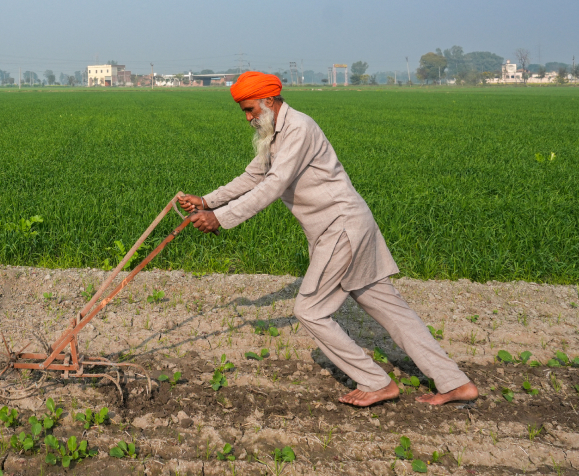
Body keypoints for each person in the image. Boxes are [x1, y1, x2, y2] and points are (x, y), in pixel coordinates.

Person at [179, 71, 478, 407]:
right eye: (244, 112)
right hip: (345, 226)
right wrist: (207, 201)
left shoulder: (299, 129)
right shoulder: (274, 135)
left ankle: (375, 381)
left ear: (268, 100)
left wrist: (220, 217)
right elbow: (255, 175)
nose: (248, 118)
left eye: (250, 110)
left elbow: (273, 186)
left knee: (310, 310)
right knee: (389, 308)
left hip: (340, 229)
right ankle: (455, 383)